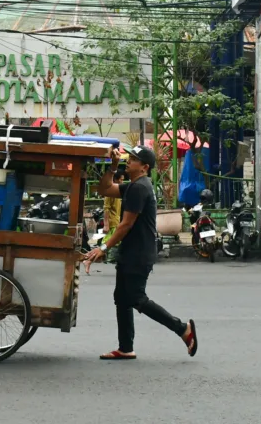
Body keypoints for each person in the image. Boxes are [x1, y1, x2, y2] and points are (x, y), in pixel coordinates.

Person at [83, 145, 197, 360]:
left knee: (136, 298)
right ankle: (126, 348)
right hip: (132, 252)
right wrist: (113, 167)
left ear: (144, 167)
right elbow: (105, 190)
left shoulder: (139, 188)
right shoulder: (134, 185)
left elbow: (125, 225)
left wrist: (103, 247)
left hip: (138, 253)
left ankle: (182, 329)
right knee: (121, 299)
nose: (129, 161)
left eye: (133, 159)